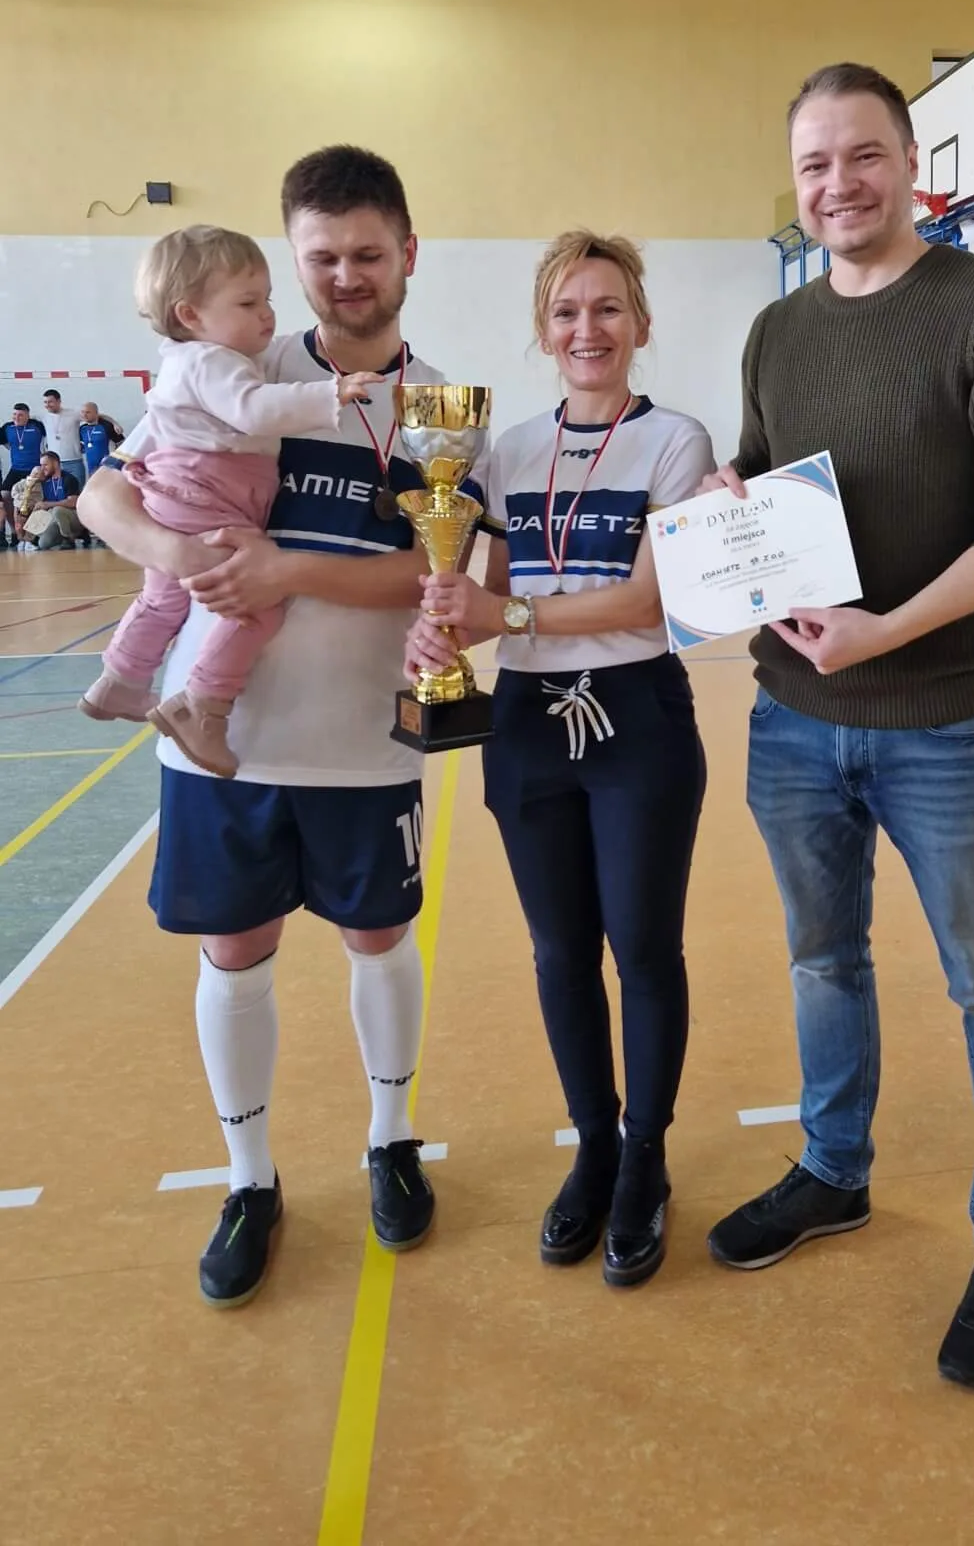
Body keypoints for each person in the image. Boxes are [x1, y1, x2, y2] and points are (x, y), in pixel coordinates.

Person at [701, 63, 974, 1393]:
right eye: (814, 164)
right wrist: (730, 503)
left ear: (917, 164)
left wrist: (888, 631)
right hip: (794, 717)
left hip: (942, 720)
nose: (839, 184)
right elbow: (769, 477)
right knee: (823, 961)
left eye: (864, 155)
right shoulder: (776, 331)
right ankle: (833, 1170)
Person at [78, 146, 467, 1309]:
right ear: (293, 260)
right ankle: (250, 1178)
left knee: (379, 939)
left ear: (408, 253)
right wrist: (178, 554)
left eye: (367, 252)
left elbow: (436, 573)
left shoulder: (443, 404)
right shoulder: (236, 366)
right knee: (234, 952)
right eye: (322, 256)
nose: (345, 275)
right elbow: (106, 490)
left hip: (365, 740)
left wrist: (285, 568)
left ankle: (391, 1141)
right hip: (223, 739)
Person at [410, 232, 712, 1289]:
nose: (589, 329)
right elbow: (484, 586)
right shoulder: (503, 451)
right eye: (568, 312)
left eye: (609, 308)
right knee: (558, 952)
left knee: (644, 949)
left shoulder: (673, 441)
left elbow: (646, 599)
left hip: (637, 717)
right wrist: (442, 622)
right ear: (545, 332)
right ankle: (593, 1147)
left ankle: (646, 1156)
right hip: (530, 722)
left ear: (641, 323)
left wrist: (507, 613)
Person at [79, 227, 381, 778]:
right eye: (247, 302)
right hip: (203, 496)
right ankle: (203, 705)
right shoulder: (212, 363)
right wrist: (329, 393)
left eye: (268, 298)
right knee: (256, 605)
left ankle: (121, 679)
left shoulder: (201, 360)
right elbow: (253, 410)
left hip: (186, 494)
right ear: (190, 314)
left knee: (163, 598)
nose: (266, 313)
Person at [12, 449, 83, 550]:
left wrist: (48, 504)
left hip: (71, 517)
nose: (42, 468)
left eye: (45, 465)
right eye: (41, 465)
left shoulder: (69, 479)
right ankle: (30, 540)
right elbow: (24, 487)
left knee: (57, 510)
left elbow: (73, 502)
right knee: (43, 544)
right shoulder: (44, 481)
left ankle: (69, 538)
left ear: (56, 464)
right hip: (54, 519)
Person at [2, 401, 45, 547]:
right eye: (14, 414)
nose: (17, 417)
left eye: (20, 415)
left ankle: (33, 533)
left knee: (36, 499)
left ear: (27, 415)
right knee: (5, 495)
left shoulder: (37, 426)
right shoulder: (8, 427)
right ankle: (15, 531)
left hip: (34, 469)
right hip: (16, 469)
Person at [41, 387, 86, 490]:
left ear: (59, 401)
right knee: (57, 493)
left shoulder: (73, 413)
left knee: (78, 491)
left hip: (74, 461)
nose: (47, 405)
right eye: (45, 402)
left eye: (50, 402)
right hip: (54, 463)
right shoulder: (43, 416)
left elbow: (95, 415)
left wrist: (115, 424)